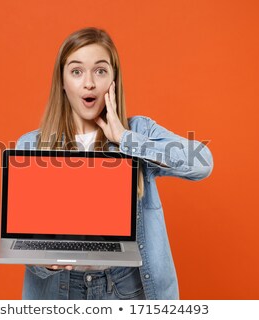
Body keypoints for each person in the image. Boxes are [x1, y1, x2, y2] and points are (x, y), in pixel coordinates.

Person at [15, 27, 213, 300]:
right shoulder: (31, 145)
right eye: (76, 71)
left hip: (124, 286)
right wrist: (41, 261)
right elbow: (23, 238)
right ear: (62, 81)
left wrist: (125, 139)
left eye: (100, 71)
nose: (89, 84)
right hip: (61, 289)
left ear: (113, 80)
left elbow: (202, 162)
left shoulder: (138, 130)